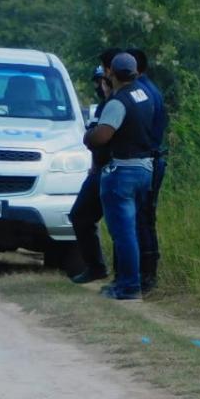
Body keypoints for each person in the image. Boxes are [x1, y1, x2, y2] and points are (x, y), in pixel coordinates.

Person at [83, 52, 155, 300]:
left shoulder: (118, 102)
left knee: (123, 233)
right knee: (132, 230)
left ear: (111, 74)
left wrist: (88, 135)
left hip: (122, 171)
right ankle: (130, 282)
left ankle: (128, 286)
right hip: (144, 169)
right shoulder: (143, 94)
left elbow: (102, 136)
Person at [69, 48, 121, 284]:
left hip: (115, 170)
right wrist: (92, 165)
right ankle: (95, 267)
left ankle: (123, 275)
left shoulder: (119, 104)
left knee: (118, 223)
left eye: (103, 81)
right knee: (80, 216)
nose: (101, 86)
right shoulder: (102, 106)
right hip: (98, 169)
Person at [126, 48, 169, 293]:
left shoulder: (140, 93)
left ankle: (146, 274)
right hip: (153, 159)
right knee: (145, 217)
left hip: (146, 160)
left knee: (141, 218)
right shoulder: (150, 90)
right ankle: (147, 271)